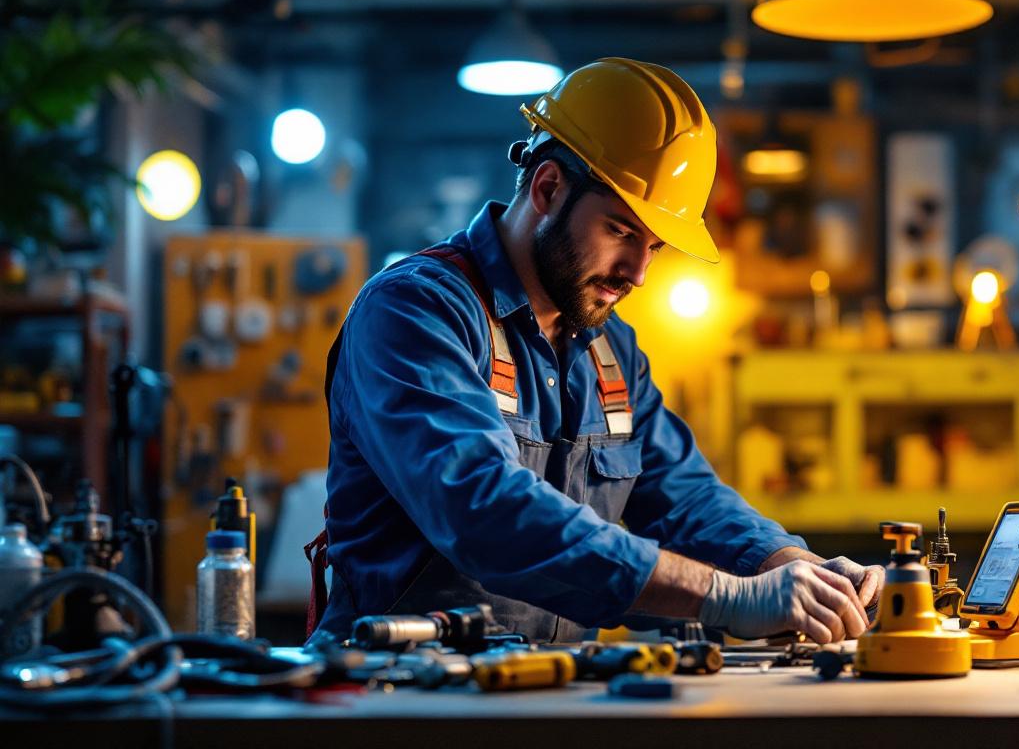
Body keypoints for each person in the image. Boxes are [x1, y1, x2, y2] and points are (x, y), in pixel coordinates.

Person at [308, 58, 883, 645]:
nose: (637, 273)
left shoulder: (610, 349)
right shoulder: (417, 311)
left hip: (542, 691)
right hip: (389, 697)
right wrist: (726, 596)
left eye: (655, 246)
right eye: (621, 231)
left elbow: (685, 497)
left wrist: (789, 566)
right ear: (549, 187)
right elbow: (483, 511)